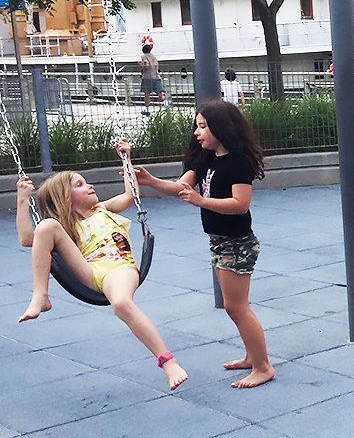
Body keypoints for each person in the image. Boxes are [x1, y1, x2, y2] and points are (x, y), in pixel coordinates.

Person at [15, 139, 188, 391]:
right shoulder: (65, 226)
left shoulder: (103, 209)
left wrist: (125, 159)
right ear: (65, 198)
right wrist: (22, 200)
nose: (89, 185)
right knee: (46, 226)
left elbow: (131, 195)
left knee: (120, 303)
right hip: (92, 271)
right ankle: (40, 295)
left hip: (120, 268)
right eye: (80, 184)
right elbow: (27, 239)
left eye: (86, 181)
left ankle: (167, 362)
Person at [135, 101, 273, 388]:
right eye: (196, 126)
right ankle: (252, 356)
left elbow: (240, 204)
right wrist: (150, 181)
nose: (197, 133)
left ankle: (263, 366)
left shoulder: (237, 163)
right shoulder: (205, 158)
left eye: (202, 126)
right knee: (234, 306)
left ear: (220, 128)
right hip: (219, 243)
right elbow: (180, 187)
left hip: (237, 243)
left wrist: (201, 201)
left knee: (237, 307)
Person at [139, 43, 166, 115]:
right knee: (159, 93)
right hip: (157, 76)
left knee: (147, 94)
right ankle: (166, 105)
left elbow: (146, 65)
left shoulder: (144, 56)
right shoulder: (154, 57)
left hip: (148, 78)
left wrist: (141, 66)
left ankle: (147, 110)